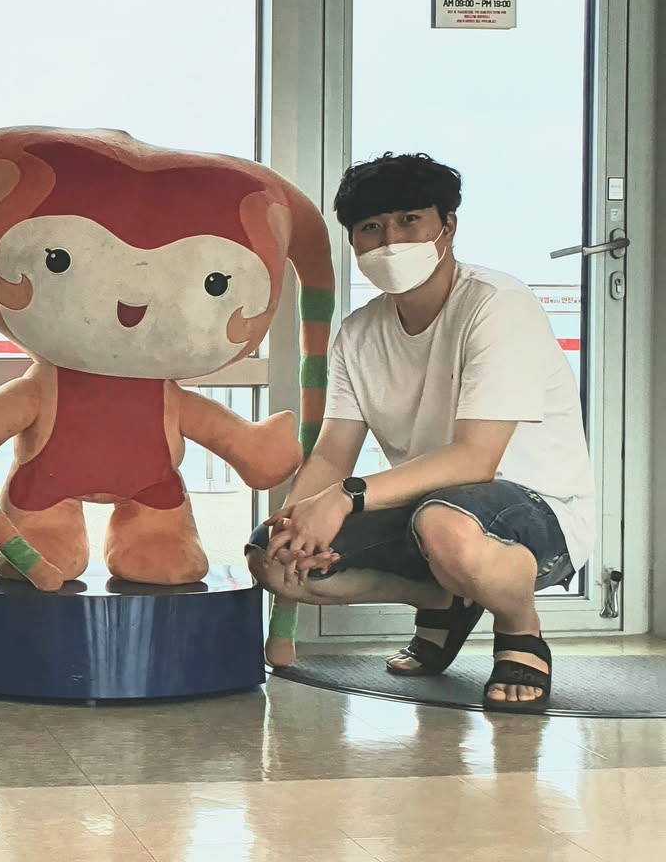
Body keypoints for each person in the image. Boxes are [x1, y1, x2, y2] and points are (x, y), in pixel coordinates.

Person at [246, 152, 595, 713]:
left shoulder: (497, 305)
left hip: (536, 513)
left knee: (445, 523)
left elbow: (477, 459)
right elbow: (333, 453)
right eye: (371, 228)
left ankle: (519, 628)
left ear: (447, 226)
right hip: (429, 514)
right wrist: (297, 521)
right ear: (354, 242)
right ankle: (446, 599)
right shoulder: (358, 334)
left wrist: (343, 498)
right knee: (273, 561)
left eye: (409, 220)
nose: (390, 241)